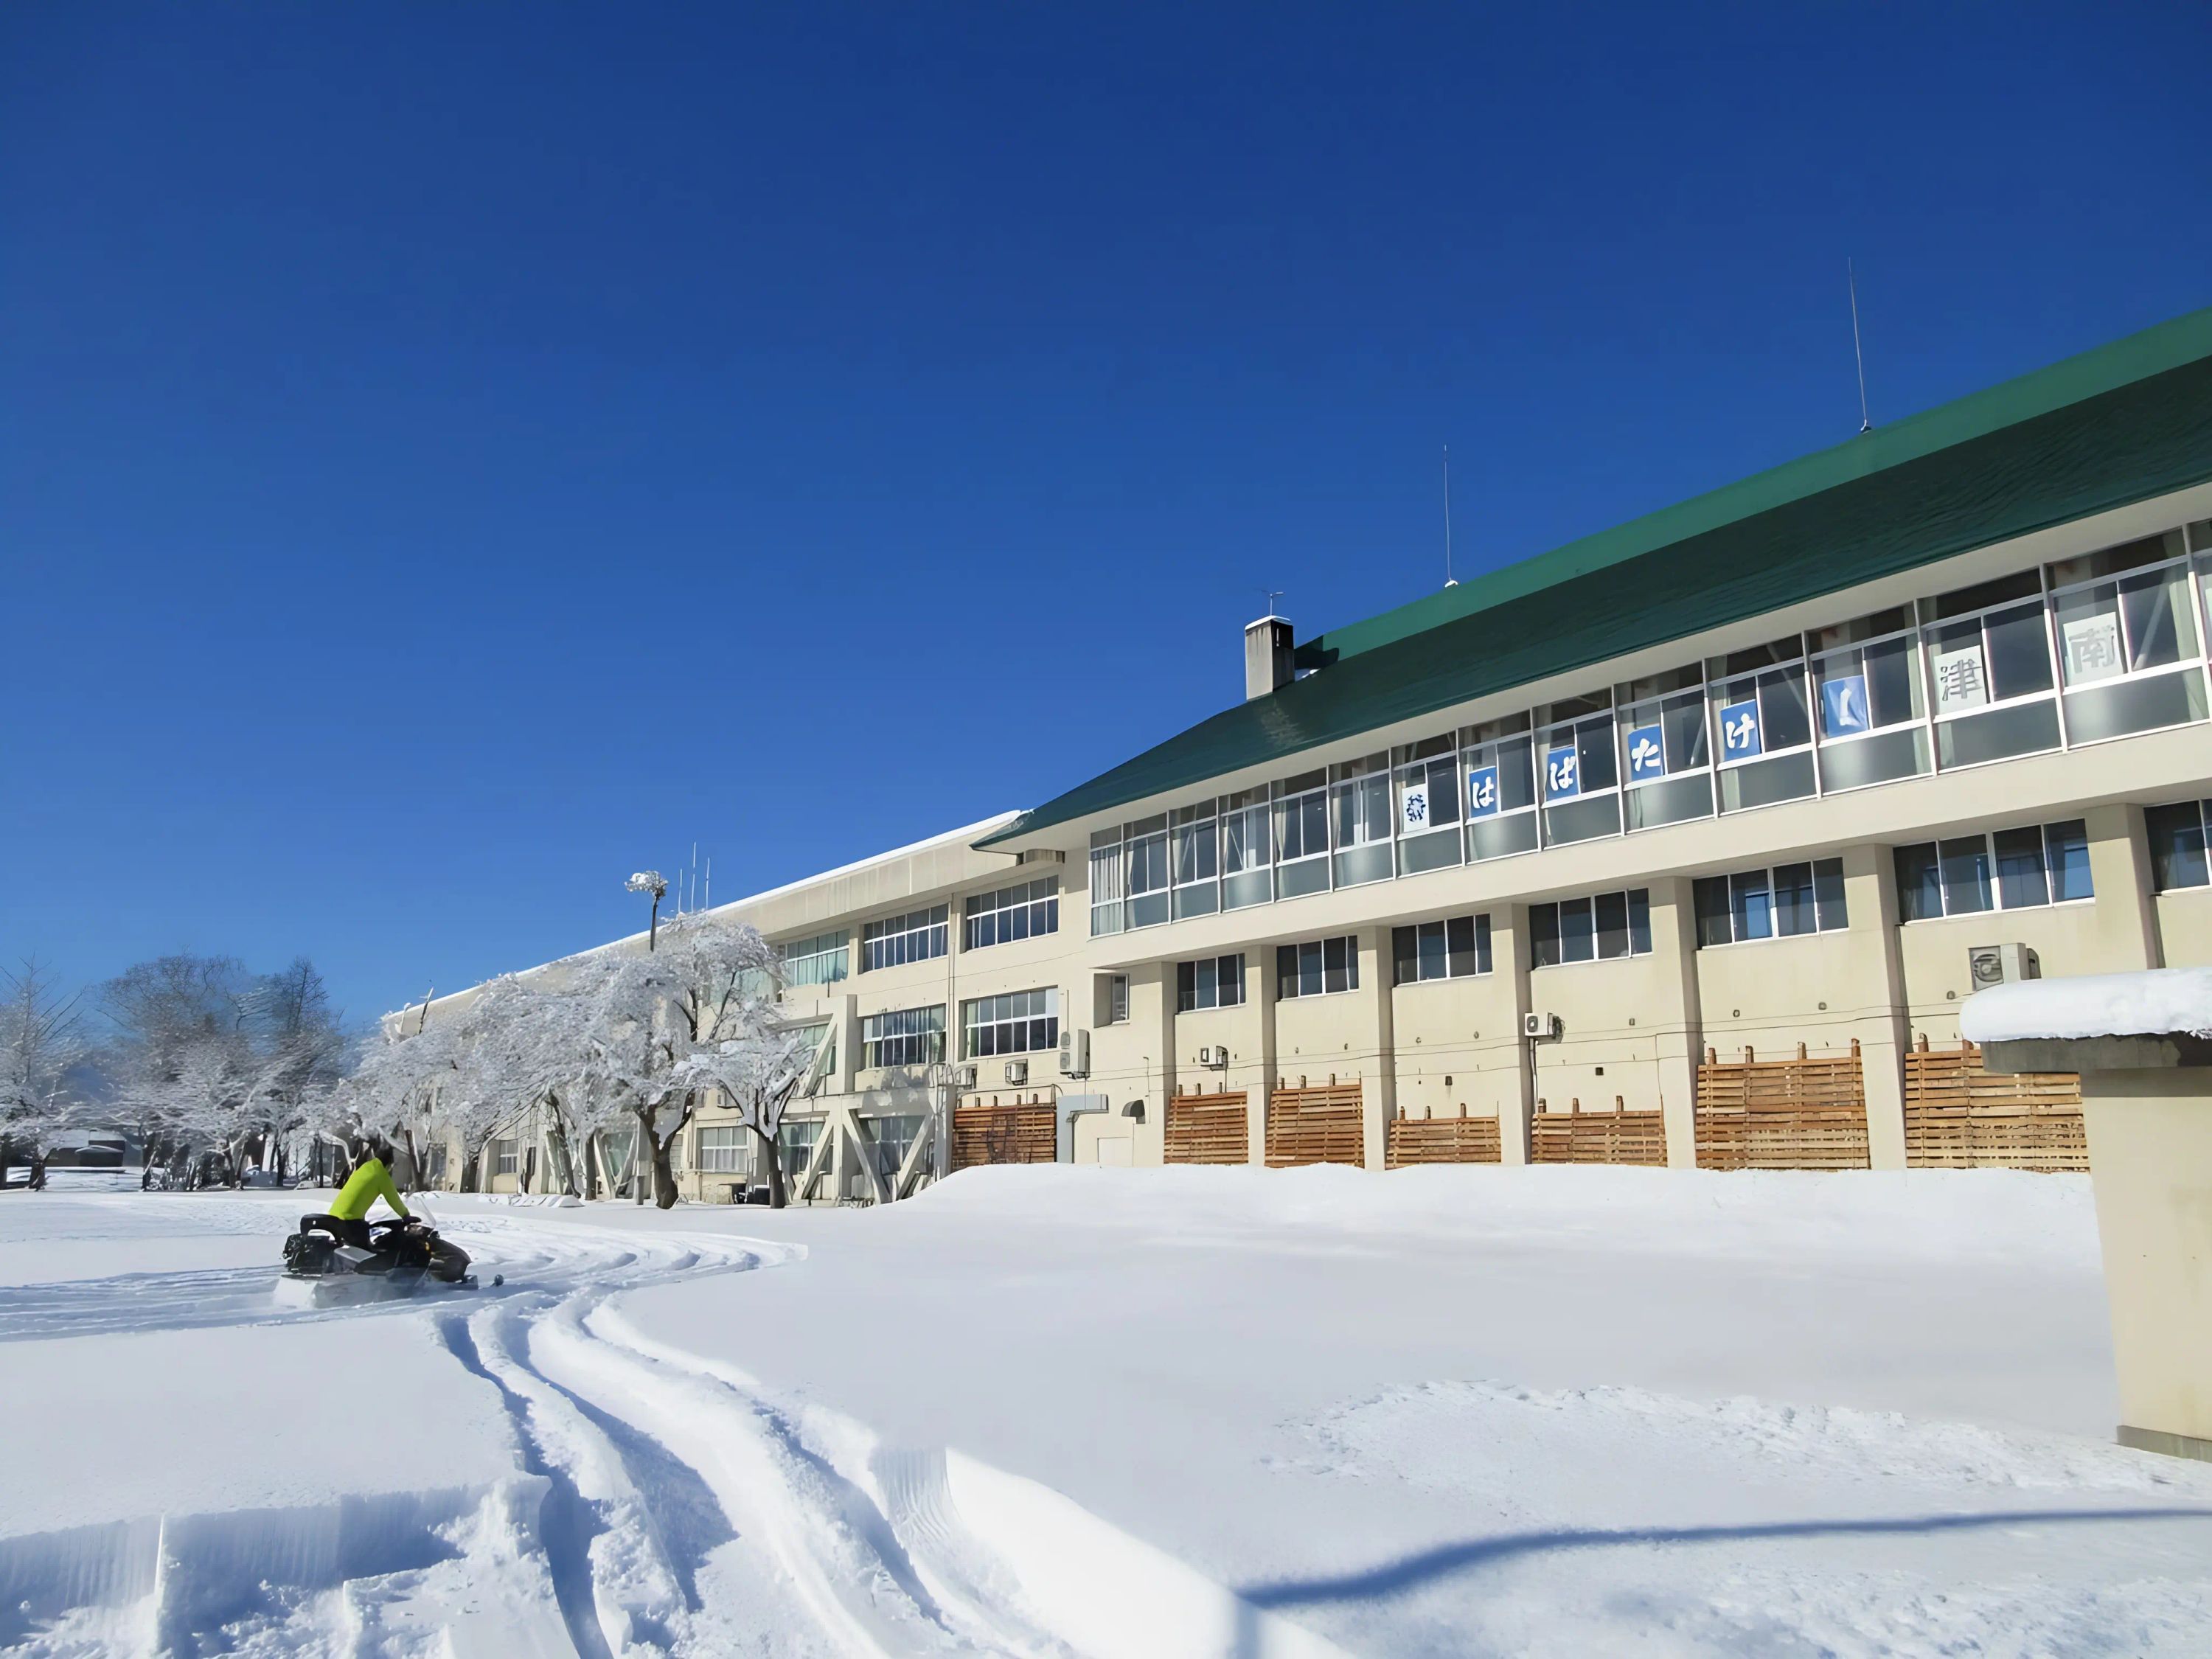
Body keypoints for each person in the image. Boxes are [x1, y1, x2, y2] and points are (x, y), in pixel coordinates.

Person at [300, 1138, 409, 1249]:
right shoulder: (381, 1175)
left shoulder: (364, 1168)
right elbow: (393, 1199)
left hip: (335, 1216)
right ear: (389, 1164)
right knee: (369, 1254)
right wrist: (406, 1216)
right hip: (350, 1222)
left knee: (364, 1229)